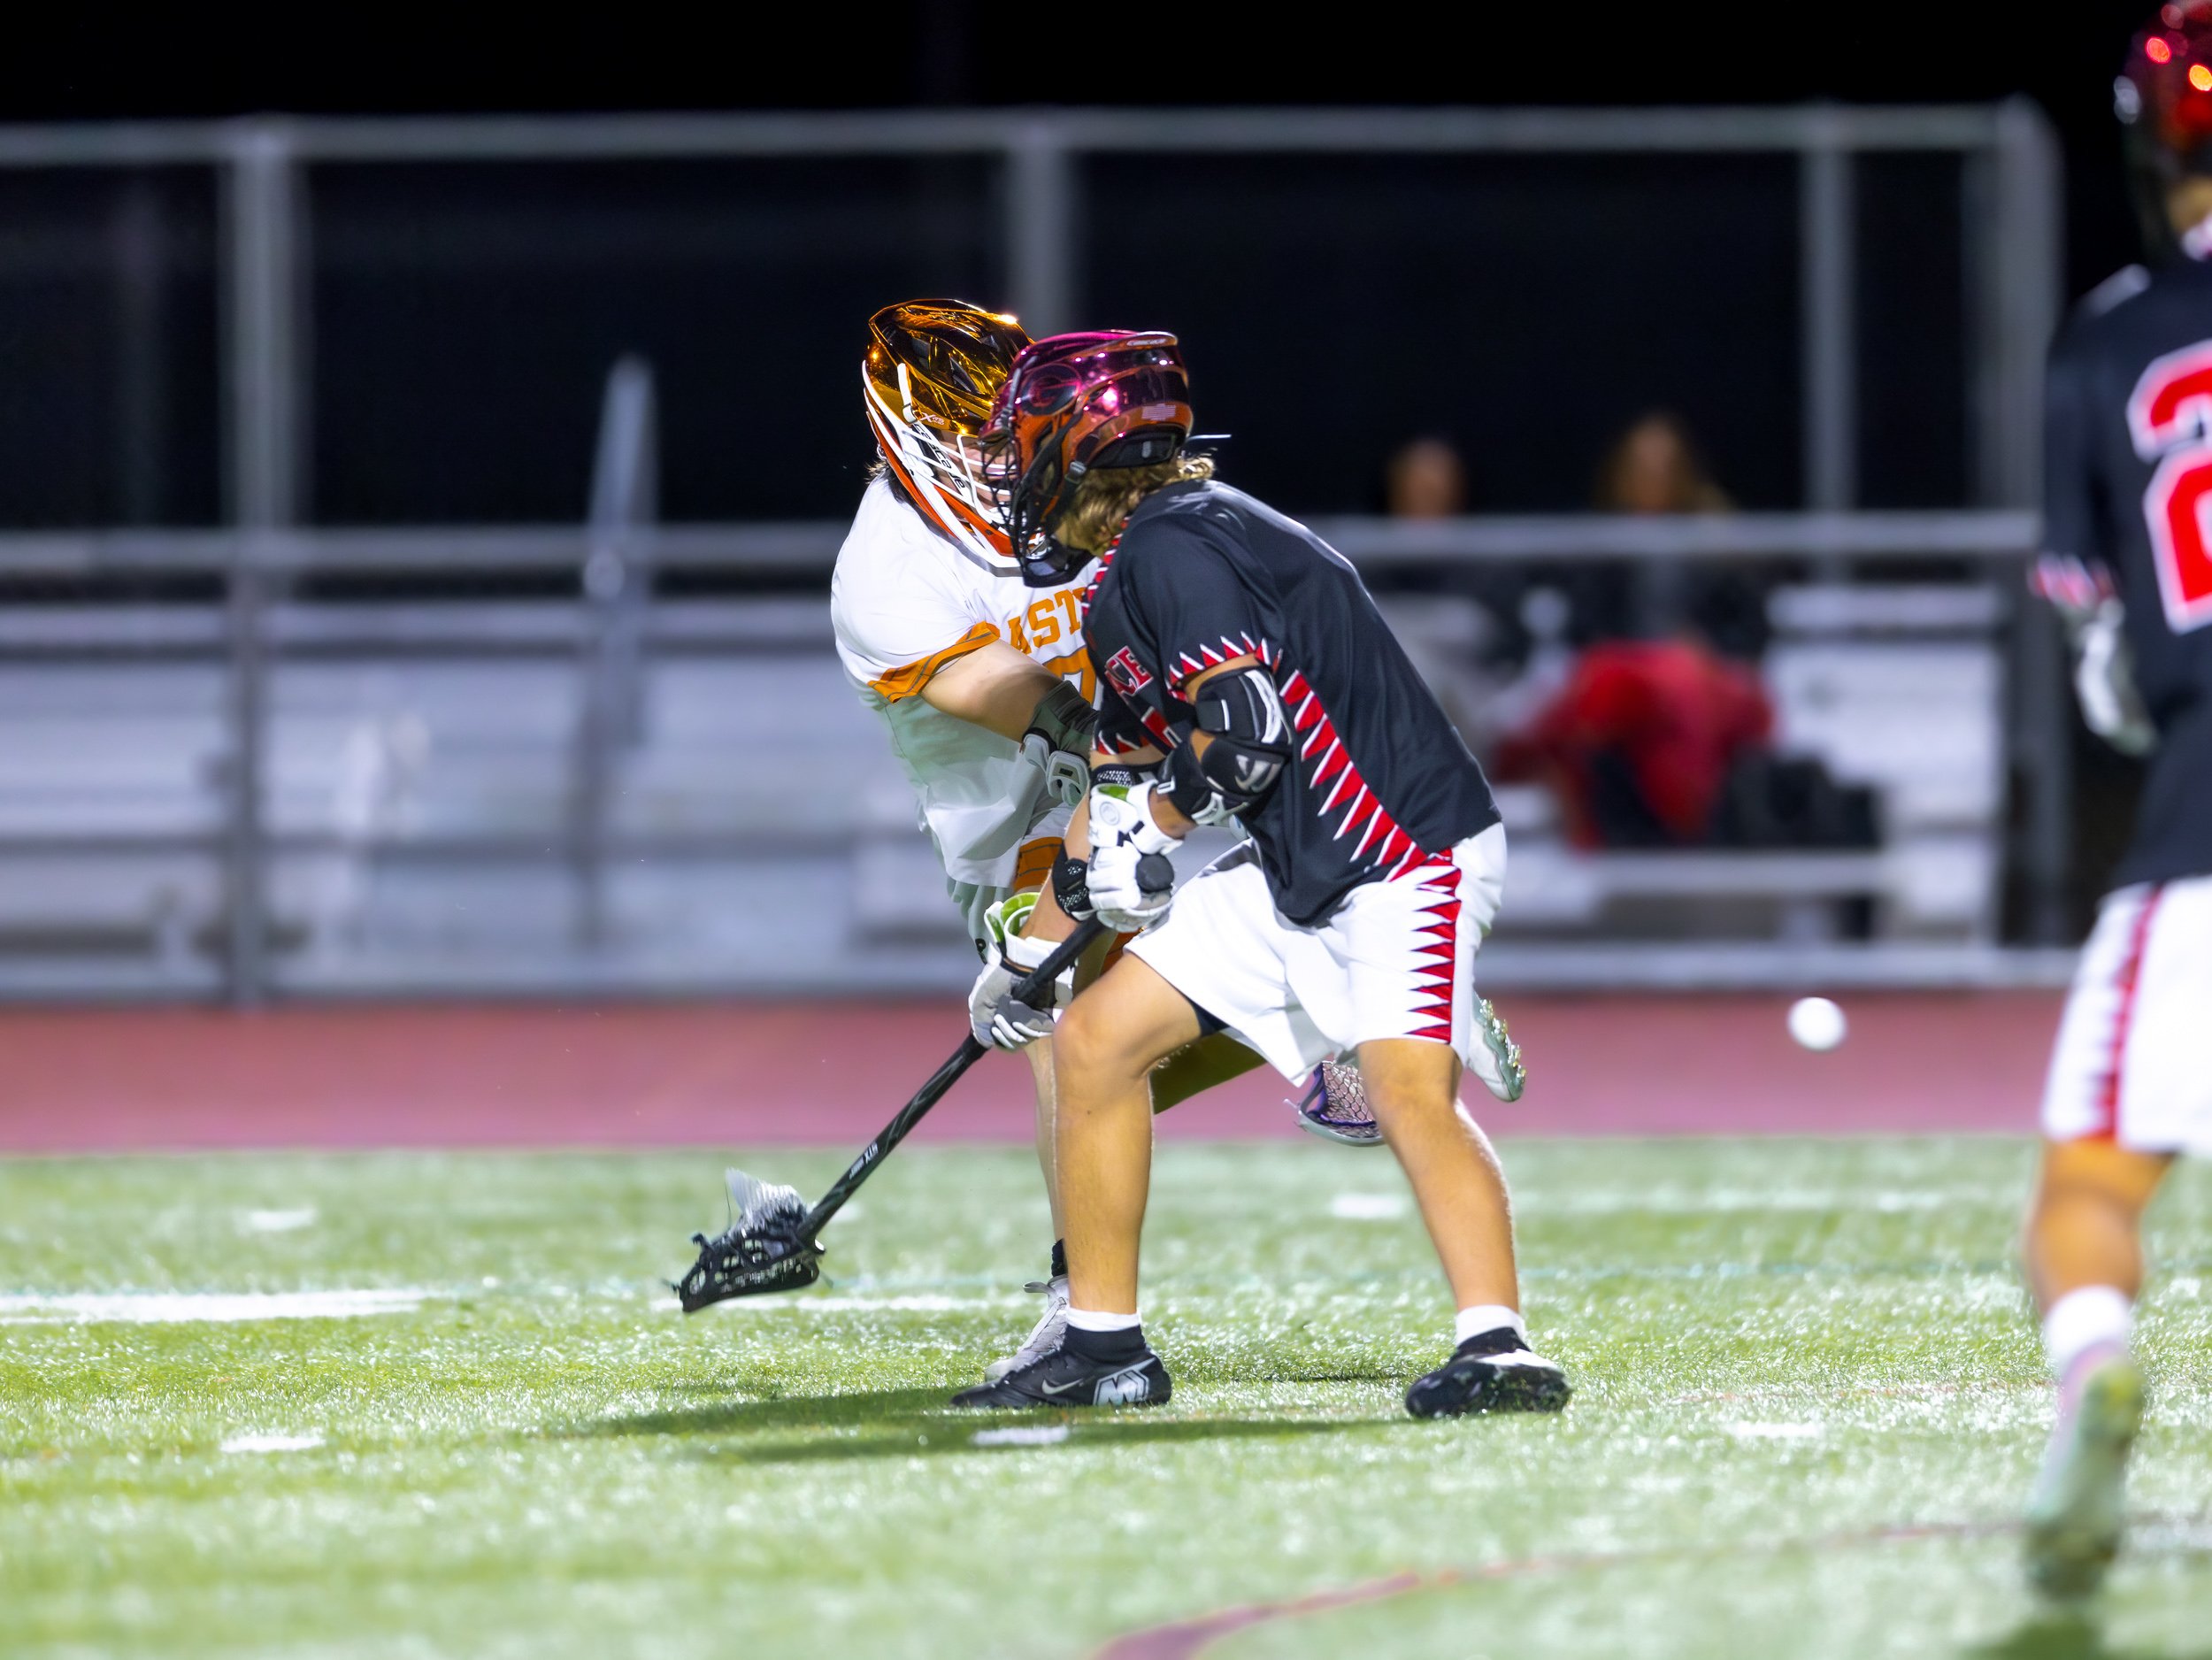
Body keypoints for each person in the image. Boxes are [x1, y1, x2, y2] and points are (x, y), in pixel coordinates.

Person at [948, 330, 1565, 1418]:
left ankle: (1499, 1345)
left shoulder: (1175, 548)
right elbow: (1118, 777)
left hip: (1399, 854)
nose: (1012, 472)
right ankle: (1103, 1346)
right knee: (1092, 1042)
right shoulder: (1148, 561)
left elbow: (1243, 741)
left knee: (1407, 1093)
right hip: (1297, 859)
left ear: (1077, 447)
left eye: (1024, 443)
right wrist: (1028, 953)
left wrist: (1156, 827)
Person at [826, 301, 1264, 1384]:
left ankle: (1088, 1315)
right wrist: (1141, 737)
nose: (998, 455)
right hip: (1015, 811)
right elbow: (1032, 708)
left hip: (1142, 759)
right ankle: (1309, 1014)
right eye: (973, 437)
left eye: (1003, 431)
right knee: (1083, 1035)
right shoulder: (885, 570)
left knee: (1080, 1040)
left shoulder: (1064, 469)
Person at [2017, 4, 2212, 1599]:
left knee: (2088, 1183)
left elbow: (2100, 646)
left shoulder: (2108, 337)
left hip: (2200, 818)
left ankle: (2096, 1368)